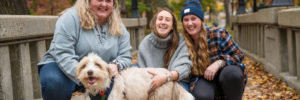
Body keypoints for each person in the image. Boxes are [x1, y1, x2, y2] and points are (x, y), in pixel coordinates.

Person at [37, 0, 132, 99]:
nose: (104, 4)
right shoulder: (70, 18)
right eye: (99, 0)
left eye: (108, 1)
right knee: (54, 81)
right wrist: (83, 76)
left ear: (114, 4)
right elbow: (63, 53)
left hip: (96, 73)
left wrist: (116, 65)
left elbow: (125, 55)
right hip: (61, 67)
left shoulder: (119, 26)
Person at [180, 0, 247, 100]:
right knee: (201, 96)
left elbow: (239, 55)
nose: (190, 23)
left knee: (232, 74)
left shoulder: (218, 34)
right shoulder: (182, 42)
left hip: (225, 75)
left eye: (193, 18)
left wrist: (219, 62)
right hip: (203, 79)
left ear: (201, 20)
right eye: (186, 19)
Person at [138, 8, 192, 91]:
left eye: (167, 20)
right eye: (160, 19)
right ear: (155, 23)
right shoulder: (145, 43)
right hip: (152, 82)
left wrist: (166, 77)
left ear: (172, 26)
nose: (163, 22)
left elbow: (184, 67)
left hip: (177, 82)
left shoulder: (181, 41)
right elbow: (142, 71)